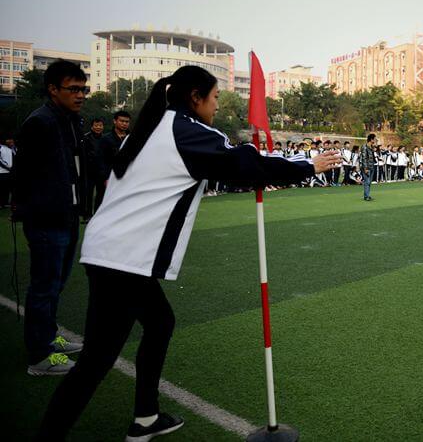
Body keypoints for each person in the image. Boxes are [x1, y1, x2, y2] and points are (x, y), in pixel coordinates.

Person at [35, 65, 340, 441]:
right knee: (96, 360)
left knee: (160, 323)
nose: (215, 107)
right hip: (123, 257)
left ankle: (146, 417)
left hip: (113, 252)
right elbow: (243, 165)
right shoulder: (185, 130)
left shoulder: (149, 129)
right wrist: (308, 164)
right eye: (213, 99)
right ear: (195, 97)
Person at [12, 60, 89, 375]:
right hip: (46, 219)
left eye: (83, 88)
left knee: (55, 285)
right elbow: (24, 173)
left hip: (66, 215)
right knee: (44, 287)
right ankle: (41, 357)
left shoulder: (69, 120)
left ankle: (49, 338)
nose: (80, 95)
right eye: (73, 89)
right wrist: (31, 210)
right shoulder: (40, 122)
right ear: (53, 89)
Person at [98, 110, 131, 186]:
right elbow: (101, 160)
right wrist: (105, 178)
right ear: (115, 121)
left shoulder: (132, 138)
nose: (124, 124)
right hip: (111, 177)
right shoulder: (106, 139)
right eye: (122, 121)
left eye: (127, 122)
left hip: (129, 177)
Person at [83, 118, 105, 214]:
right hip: (89, 170)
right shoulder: (85, 138)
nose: (98, 127)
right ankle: (87, 214)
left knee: (101, 193)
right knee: (88, 193)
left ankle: (97, 213)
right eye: (96, 125)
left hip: (101, 170)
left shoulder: (105, 138)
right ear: (92, 126)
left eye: (100, 125)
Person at [360, 133, 377, 201]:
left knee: (369, 182)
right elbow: (364, 158)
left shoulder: (371, 147)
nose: (375, 140)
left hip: (372, 166)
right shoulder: (364, 147)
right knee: (367, 181)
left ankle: (367, 195)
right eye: (375, 139)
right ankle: (366, 196)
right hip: (367, 167)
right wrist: (365, 168)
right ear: (371, 139)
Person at [0, 136, 14, 208]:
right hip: (1, 172)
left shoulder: (11, 149)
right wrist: (7, 167)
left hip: (9, 172)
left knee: (7, 188)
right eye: (10, 141)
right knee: (2, 188)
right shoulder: (1, 148)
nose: (11, 142)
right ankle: (1, 203)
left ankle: (5, 203)